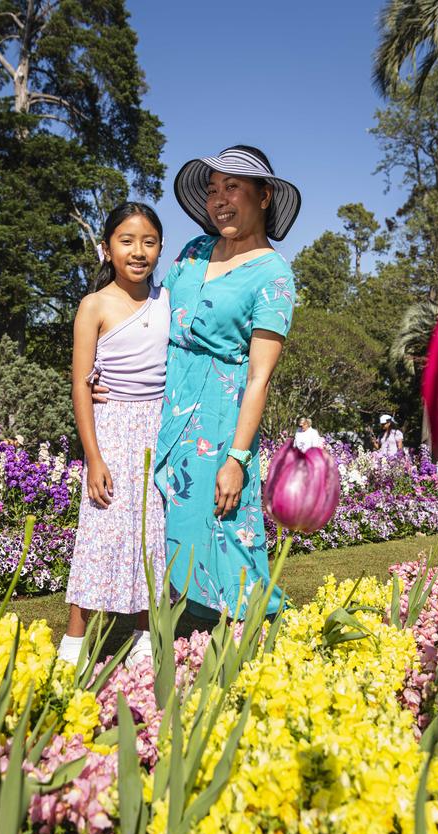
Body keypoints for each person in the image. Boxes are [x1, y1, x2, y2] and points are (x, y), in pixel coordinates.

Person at [156, 145, 299, 618]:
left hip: (219, 422)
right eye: (213, 189)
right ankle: (173, 638)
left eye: (232, 187)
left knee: (222, 533)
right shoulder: (194, 252)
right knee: (165, 526)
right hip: (163, 404)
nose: (219, 199)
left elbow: (259, 376)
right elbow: (156, 320)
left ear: (264, 196)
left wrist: (237, 458)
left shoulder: (273, 275)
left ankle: (249, 644)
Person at [58, 202, 170, 666]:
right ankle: (74, 644)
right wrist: (93, 457)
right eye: (126, 241)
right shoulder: (94, 305)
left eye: (148, 241)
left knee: (152, 533)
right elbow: (81, 387)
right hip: (111, 430)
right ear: (106, 249)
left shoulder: (168, 301)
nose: (138, 251)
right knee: (101, 530)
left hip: (159, 429)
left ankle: (146, 638)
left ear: (160, 248)